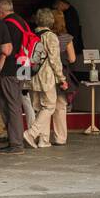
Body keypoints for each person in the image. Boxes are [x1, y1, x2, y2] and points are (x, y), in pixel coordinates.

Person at [22, 8, 67, 149]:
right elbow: (55, 60)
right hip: (46, 77)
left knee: (40, 108)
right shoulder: (50, 37)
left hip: (32, 76)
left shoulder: (31, 34)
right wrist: (61, 78)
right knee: (49, 106)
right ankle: (31, 133)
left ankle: (44, 140)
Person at [0, 0, 30, 153]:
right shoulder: (22, 22)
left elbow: (5, 51)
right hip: (24, 66)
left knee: (12, 105)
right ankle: (14, 141)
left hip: (10, 69)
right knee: (13, 103)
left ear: (0, 10)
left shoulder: (6, 25)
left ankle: (16, 143)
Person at [49, 4, 77, 145]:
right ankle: (60, 138)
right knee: (60, 106)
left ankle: (42, 136)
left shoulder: (46, 36)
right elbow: (72, 59)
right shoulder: (67, 38)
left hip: (47, 73)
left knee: (46, 106)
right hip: (62, 73)